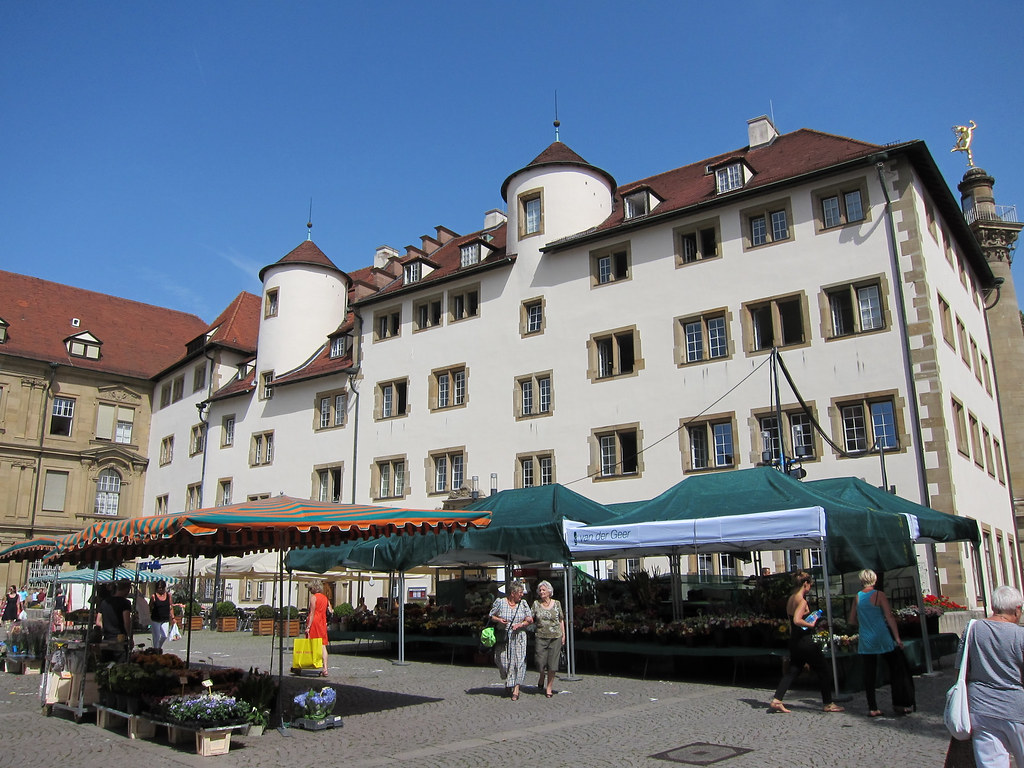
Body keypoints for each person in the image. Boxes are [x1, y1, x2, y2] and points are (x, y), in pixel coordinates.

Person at [956, 585, 1024, 767]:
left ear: (994, 606)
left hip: (981, 708)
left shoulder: (972, 630)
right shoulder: (1020, 635)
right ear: (1017, 610)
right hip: (1017, 708)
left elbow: (960, 670)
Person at [769, 571, 843, 713]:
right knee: (823, 670)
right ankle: (828, 703)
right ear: (805, 584)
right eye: (810, 585)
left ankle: (777, 699)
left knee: (793, 670)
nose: (810, 587)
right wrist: (812, 624)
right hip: (805, 641)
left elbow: (791, 623)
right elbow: (797, 620)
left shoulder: (790, 599)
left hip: (795, 641)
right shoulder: (801, 601)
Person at [847, 569, 914, 717]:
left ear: (861, 580)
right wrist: (897, 638)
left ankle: (872, 707)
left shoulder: (858, 597)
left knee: (869, 674)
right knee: (895, 669)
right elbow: (889, 617)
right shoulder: (879, 595)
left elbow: (851, 619)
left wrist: (863, 623)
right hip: (882, 636)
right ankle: (899, 703)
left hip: (866, 639)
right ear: (875, 580)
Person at [489, 580, 533, 701]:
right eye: (520, 592)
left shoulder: (523, 604)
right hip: (504, 636)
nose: (522, 594)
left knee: (519, 661)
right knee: (502, 661)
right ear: (512, 593)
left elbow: (530, 619)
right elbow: (491, 616)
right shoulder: (501, 602)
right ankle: (509, 680)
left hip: (519, 636)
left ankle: (516, 689)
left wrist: (520, 624)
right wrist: (499, 620)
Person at [532, 580, 566, 698]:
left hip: (555, 636)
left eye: (544, 590)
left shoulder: (557, 603)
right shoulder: (536, 604)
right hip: (541, 636)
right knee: (540, 662)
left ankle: (549, 687)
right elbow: (530, 618)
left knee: (553, 664)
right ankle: (542, 675)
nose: (541, 592)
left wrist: (563, 634)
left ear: (549, 591)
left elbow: (561, 619)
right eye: (540, 590)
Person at [98, 579, 133, 662]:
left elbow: (98, 622)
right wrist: (130, 637)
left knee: (106, 666)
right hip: (120, 641)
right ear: (127, 589)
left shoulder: (104, 602)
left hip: (106, 640)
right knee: (120, 667)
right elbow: (127, 622)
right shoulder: (125, 603)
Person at [305, 579, 330, 677]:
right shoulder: (325, 598)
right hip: (322, 622)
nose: (310, 590)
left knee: (310, 642)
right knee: (323, 645)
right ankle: (325, 668)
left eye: (311, 588)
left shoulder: (313, 598)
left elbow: (312, 613)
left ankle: (306, 663)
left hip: (315, 621)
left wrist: (308, 626)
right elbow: (330, 610)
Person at [149, 580, 173, 650]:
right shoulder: (154, 596)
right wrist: (150, 613)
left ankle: (158, 648)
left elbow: (171, 607)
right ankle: (156, 650)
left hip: (165, 619)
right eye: (159, 588)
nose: (160, 589)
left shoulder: (168, 596)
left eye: (162, 588)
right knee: (156, 637)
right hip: (156, 619)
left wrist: (173, 617)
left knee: (164, 635)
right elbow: (150, 606)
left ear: (164, 587)